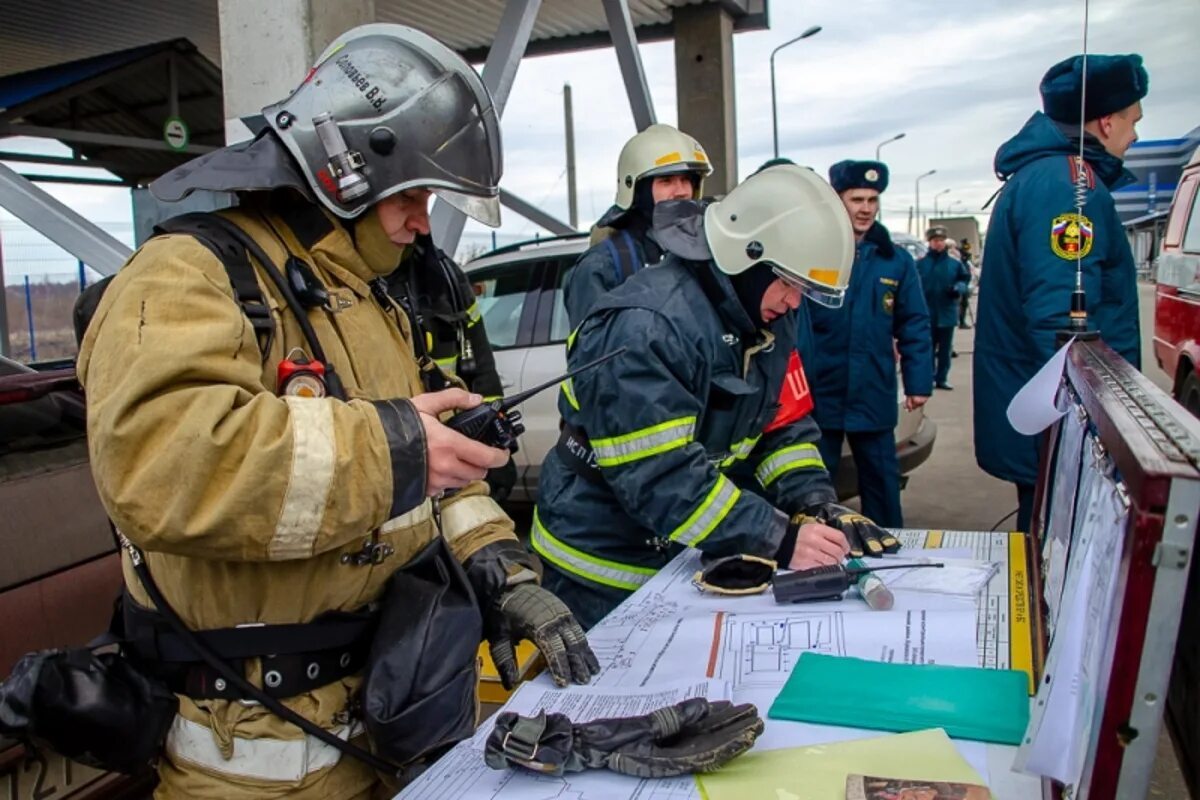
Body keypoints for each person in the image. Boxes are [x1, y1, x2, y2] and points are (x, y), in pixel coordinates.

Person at [76, 25, 597, 798]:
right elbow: (160, 467)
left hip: (382, 726)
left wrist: (497, 562)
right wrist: (395, 451)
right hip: (252, 761)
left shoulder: (371, 301)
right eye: (415, 194)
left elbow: (429, 466)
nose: (425, 221)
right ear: (346, 172)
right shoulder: (187, 275)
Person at [532, 164, 899, 628]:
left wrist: (813, 502)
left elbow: (783, 426)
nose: (794, 303)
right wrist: (779, 537)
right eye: (789, 283)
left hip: (678, 545)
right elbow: (659, 476)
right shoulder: (648, 326)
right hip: (602, 564)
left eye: (804, 289)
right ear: (746, 256)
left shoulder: (764, 317)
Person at [974, 53, 1147, 532]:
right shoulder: (1068, 185)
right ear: (1107, 122)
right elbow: (1062, 323)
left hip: (1049, 420)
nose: (1135, 136)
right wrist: (1100, 425)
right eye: (1133, 121)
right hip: (1060, 426)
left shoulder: (1049, 177)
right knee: (1056, 562)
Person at [808, 160, 932, 528]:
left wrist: (918, 381)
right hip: (821, 391)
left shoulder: (896, 261)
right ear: (838, 200)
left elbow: (914, 322)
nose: (865, 208)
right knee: (815, 487)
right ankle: (819, 553)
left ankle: (891, 552)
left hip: (872, 389)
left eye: (872, 200)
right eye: (857, 199)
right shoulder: (815, 255)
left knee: (881, 482)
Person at [387, 233, 518, 501]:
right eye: (406, 199)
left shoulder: (444, 276)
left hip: (457, 453)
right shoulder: (351, 284)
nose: (422, 221)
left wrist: (493, 427)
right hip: (399, 462)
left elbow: (481, 366)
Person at [563, 123, 712, 327]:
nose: (681, 191)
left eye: (686, 180)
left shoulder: (705, 254)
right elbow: (593, 352)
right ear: (637, 190)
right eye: (666, 180)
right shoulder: (601, 267)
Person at [916, 226, 970, 390]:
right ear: (929, 242)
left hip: (947, 312)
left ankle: (942, 378)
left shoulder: (954, 264)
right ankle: (929, 377)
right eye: (935, 241)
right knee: (927, 349)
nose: (938, 244)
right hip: (926, 313)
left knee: (945, 350)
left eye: (940, 241)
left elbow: (965, 280)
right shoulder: (920, 264)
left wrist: (958, 288)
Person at [958, 239, 975, 329]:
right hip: (962, 283)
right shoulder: (961, 257)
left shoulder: (964, 256)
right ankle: (961, 321)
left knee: (963, 303)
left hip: (965, 282)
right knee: (962, 303)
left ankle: (961, 320)